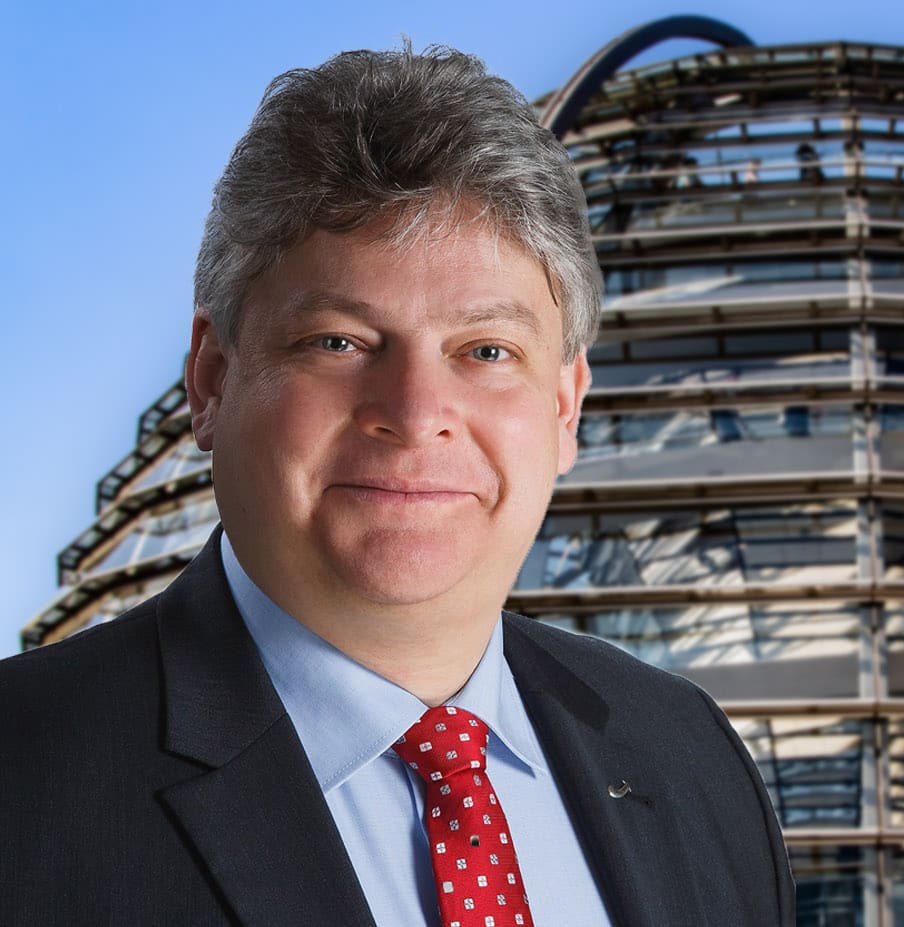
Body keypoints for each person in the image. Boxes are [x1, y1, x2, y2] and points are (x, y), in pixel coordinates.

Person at [0, 45, 795, 926]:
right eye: (338, 342)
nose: (416, 415)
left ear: (565, 406)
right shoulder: (19, 776)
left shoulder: (691, 755)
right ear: (212, 379)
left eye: (486, 350)